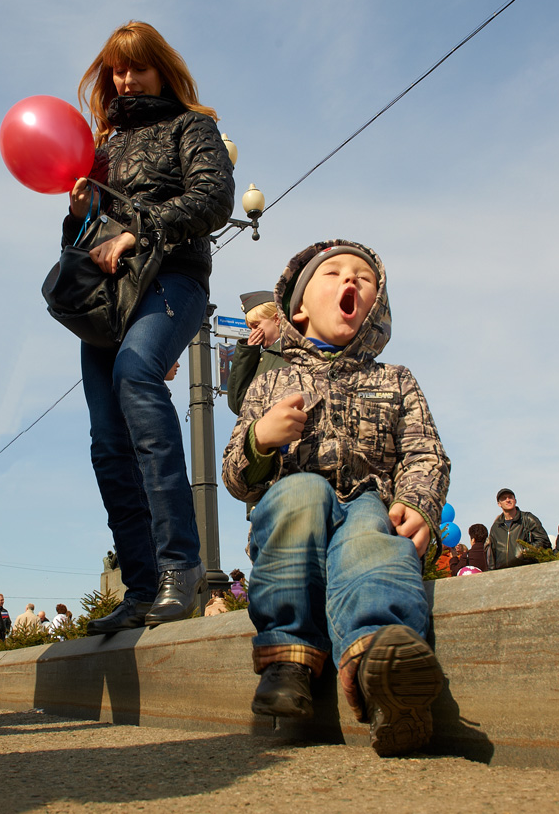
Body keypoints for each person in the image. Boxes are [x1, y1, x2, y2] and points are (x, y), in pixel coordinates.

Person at [222, 240, 451, 757]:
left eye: (364, 279)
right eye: (334, 273)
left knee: (372, 540)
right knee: (299, 493)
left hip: (369, 499)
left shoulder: (396, 380)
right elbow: (237, 475)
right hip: (295, 513)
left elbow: (426, 454)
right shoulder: (272, 381)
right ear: (299, 308)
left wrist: (417, 503)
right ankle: (288, 658)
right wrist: (261, 437)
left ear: (376, 308)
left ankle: (383, 667)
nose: (351, 281)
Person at [59, 22, 234, 635]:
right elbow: (78, 246)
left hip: (174, 278)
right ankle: (138, 587)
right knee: (107, 439)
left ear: (162, 68)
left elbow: (214, 199)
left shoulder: (192, 126)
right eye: (116, 69)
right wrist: (79, 214)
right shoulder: (100, 148)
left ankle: (180, 568)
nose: (126, 79)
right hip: (109, 300)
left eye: (137, 67)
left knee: (138, 374)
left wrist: (144, 228)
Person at [227, 291, 286, 415]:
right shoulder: (259, 359)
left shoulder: (294, 352)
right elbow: (239, 405)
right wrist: (247, 353)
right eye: (250, 328)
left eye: (256, 325)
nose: (252, 333)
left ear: (276, 319)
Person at [488, 489, 551, 570]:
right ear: (499, 504)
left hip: (526, 569)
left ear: (515, 500)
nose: (508, 500)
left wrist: (524, 552)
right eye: (504, 498)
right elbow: (492, 555)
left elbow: (544, 541)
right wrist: (491, 572)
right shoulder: (496, 527)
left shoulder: (528, 519)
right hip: (503, 573)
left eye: (510, 497)